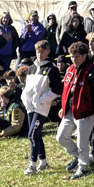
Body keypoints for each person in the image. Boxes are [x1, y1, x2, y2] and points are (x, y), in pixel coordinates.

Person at [19, 40, 62, 175]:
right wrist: (25, 98)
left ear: (48, 52)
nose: (40, 55)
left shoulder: (51, 69)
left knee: (32, 134)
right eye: (38, 52)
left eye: (43, 52)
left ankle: (32, 164)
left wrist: (41, 99)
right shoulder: (31, 68)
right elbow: (27, 88)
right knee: (36, 134)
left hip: (41, 107)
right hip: (30, 106)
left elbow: (56, 90)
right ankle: (42, 161)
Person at [56, 42, 94, 180]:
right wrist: (63, 107)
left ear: (85, 55)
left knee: (82, 142)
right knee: (61, 137)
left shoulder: (92, 70)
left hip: (86, 112)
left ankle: (83, 167)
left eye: (77, 56)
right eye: (72, 56)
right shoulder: (70, 70)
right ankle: (77, 157)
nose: (73, 59)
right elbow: (66, 90)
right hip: (70, 111)